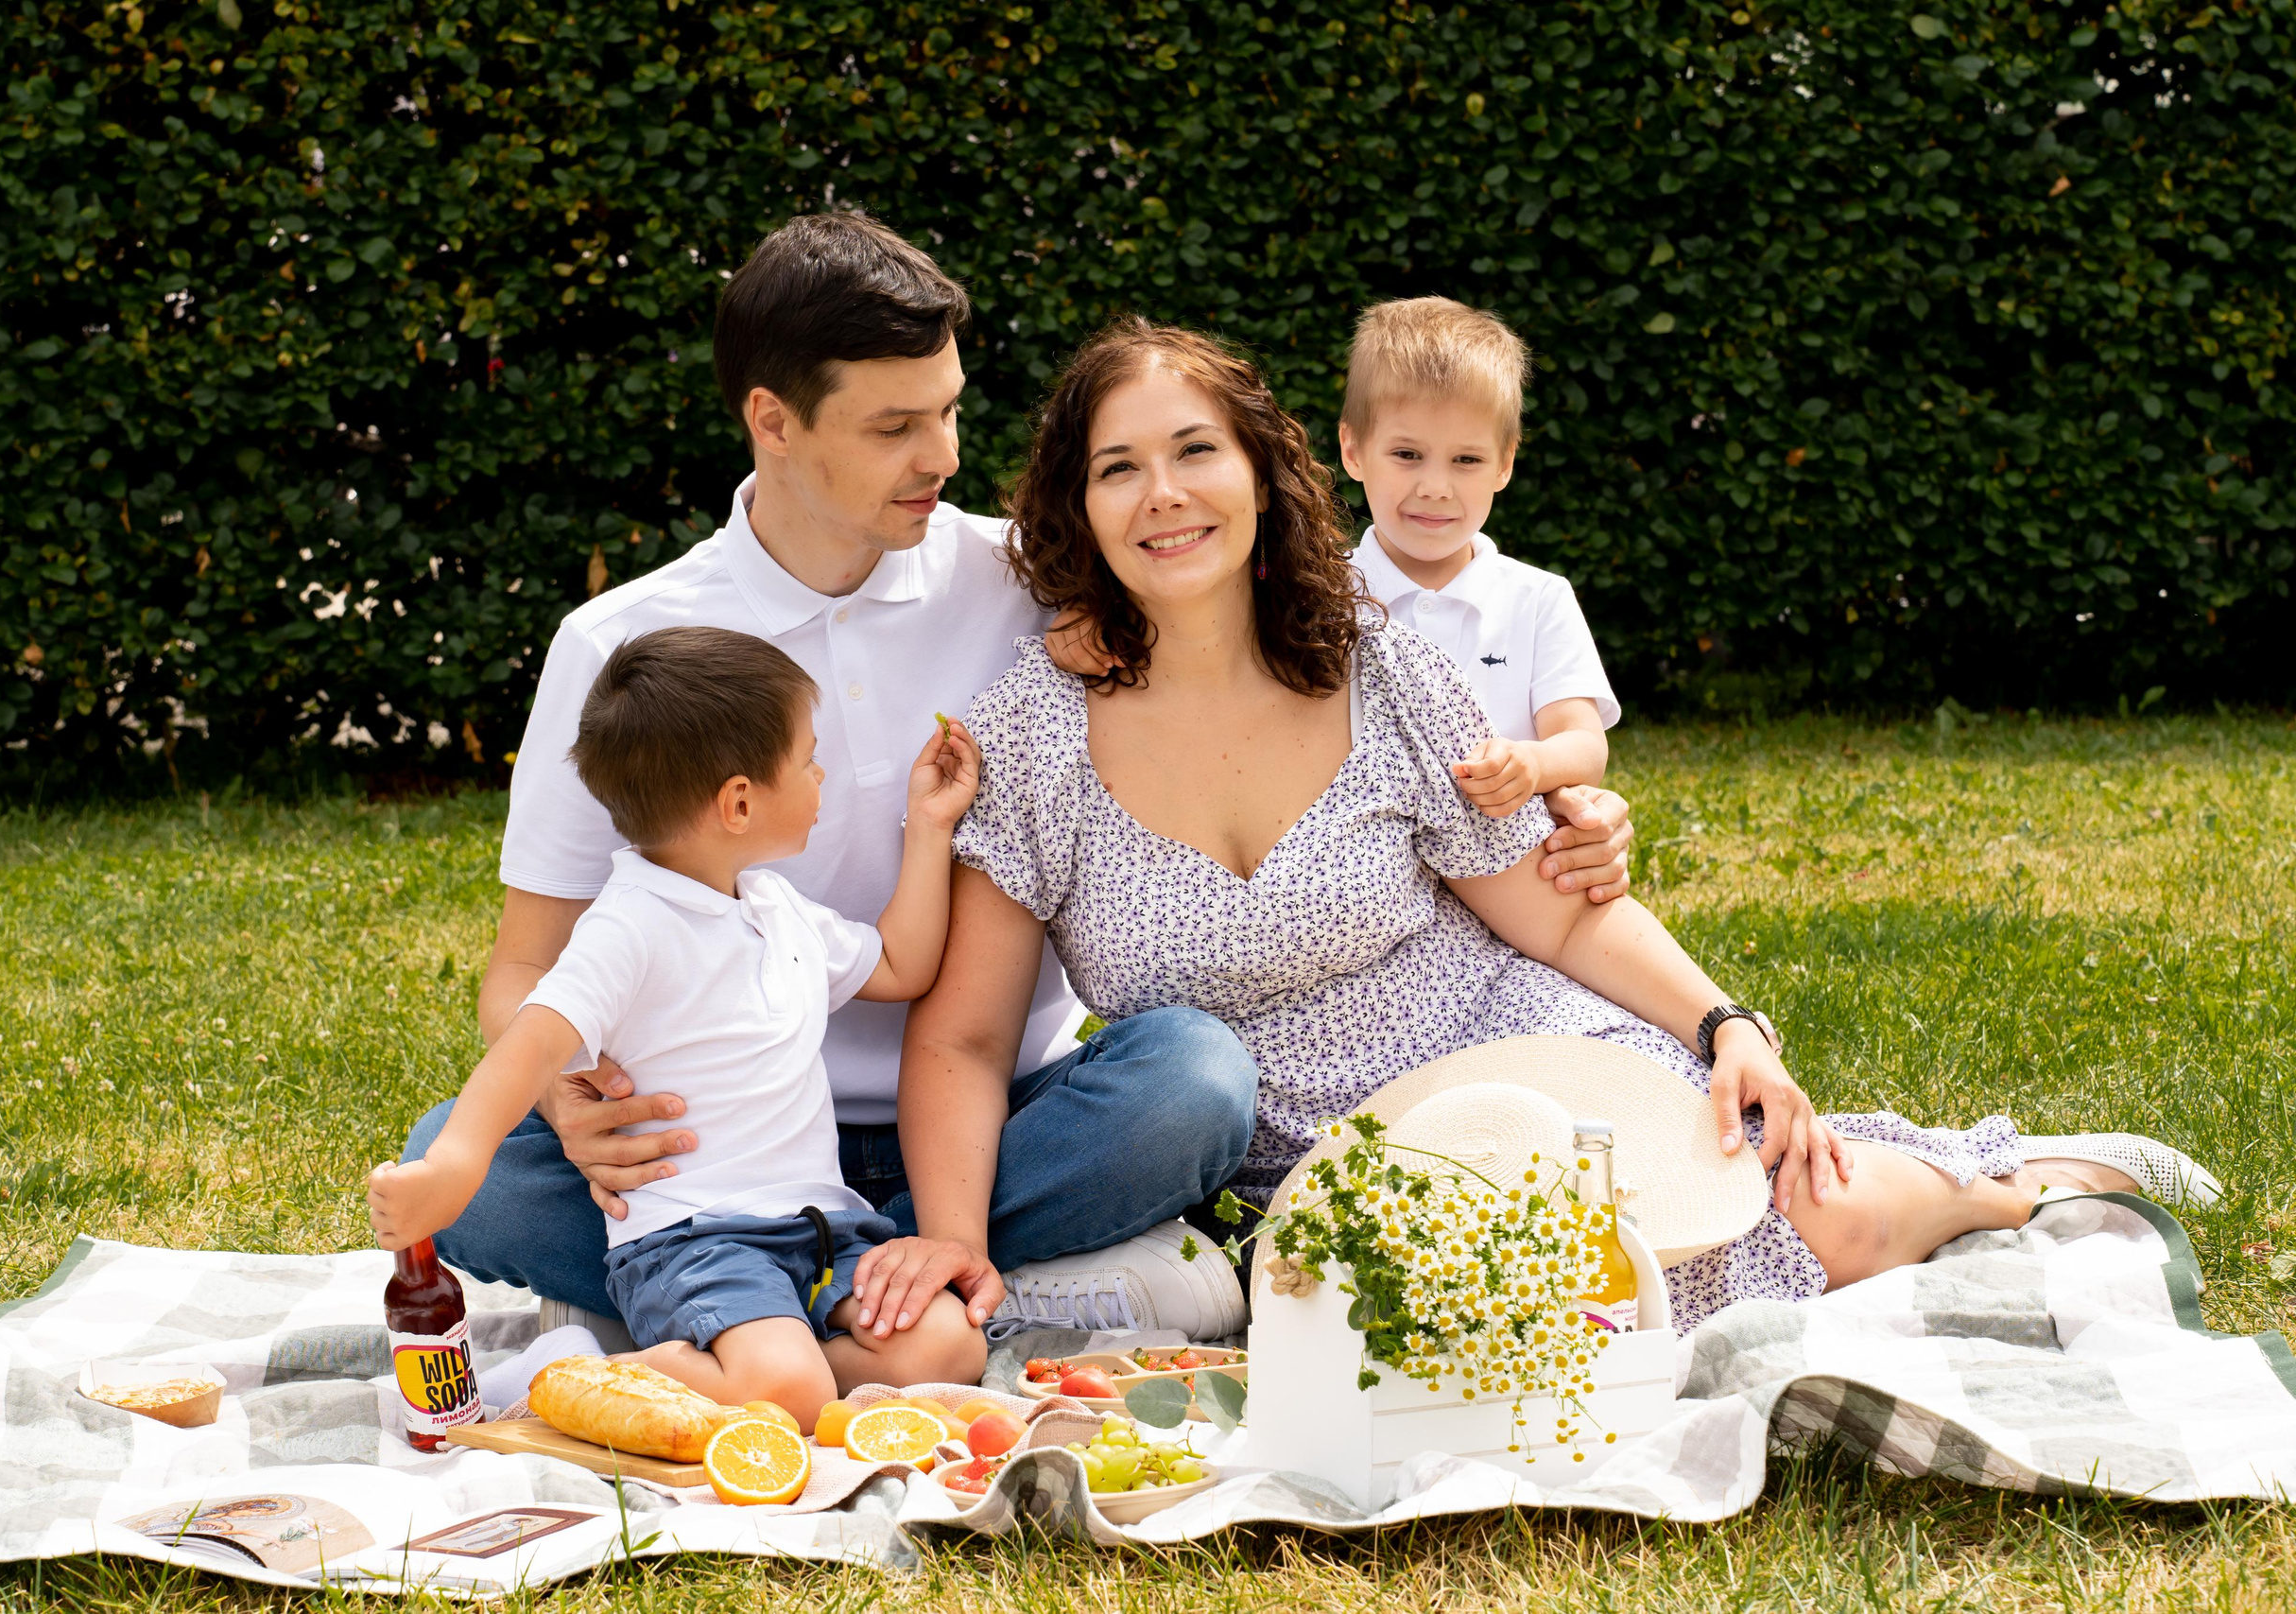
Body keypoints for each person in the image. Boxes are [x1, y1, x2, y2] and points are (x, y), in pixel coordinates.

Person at [857, 318, 2218, 1338]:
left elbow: (1554, 907)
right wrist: (957, 1240)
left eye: (1194, 451)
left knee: (1831, 1222)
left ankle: (2010, 1178)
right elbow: (969, 1033)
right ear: (1079, 509)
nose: (1163, 493)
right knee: (1571, 1326)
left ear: (1262, 475)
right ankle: (1974, 1168)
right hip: (1347, 1154)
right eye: (1119, 467)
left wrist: (1725, 1024)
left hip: (1526, 1040)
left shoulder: (1372, 662)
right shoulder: (1034, 730)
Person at [405, 212, 1263, 1345]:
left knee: (1194, 1080)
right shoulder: (622, 645)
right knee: (452, 1161)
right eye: (896, 426)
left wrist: (1556, 792)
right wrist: (568, 1101)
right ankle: (914, 1288)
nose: (945, 455)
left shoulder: (1028, 587)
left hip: (991, 1118)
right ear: (773, 420)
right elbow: (525, 964)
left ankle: (794, 1286)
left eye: (949, 409)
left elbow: (1259, 643)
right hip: (717, 1146)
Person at [371, 628, 985, 1422]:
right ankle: (571, 1374)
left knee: (948, 1346)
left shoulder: (772, 906)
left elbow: (902, 964)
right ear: (738, 802)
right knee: (790, 1388)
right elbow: (530, 1045)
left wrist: (930, 827)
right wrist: (453, 1165)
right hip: (699, 1242)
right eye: (808, 758)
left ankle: (759, 1372)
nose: (821, 772)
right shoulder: (629, 927)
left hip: (822, 1232)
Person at [1336, 298, 1621, 850]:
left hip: (1508, 863)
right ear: (1354, 449)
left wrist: (1533, 763)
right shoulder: (1321, 597)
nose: (1436, 487)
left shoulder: (1538, 598)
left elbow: (1585, 742)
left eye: (1466, 460)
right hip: (1364, 873)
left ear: (1504, 463)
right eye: (1407, 454)